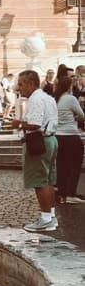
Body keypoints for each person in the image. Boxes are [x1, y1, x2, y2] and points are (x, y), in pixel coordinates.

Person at [12, 70, 59, 232]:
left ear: (31, 84)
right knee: (49, 179)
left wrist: (18, 123)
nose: (19, 88)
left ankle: (45, 218)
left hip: (39, 141)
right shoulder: (48, 97)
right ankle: (51, 216)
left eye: (21, 84)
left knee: (40, 181)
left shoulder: (35, 99)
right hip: (51, 140)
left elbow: (35, 124)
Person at [53, 74, 85, 204]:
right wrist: (75, 118)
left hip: (58, 136)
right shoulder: (70, 99)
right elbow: (82, 116)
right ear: (69, 86)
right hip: (71, 135)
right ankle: (71, 194)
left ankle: (62, 193)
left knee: (61, 165)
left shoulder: (55, 99)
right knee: (74, 165)